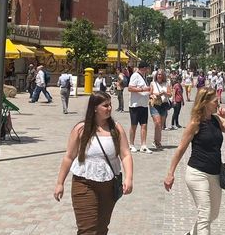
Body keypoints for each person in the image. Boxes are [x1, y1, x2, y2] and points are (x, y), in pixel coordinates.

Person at [163, 87, 225, 234]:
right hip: (197, 173)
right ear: (205, 102)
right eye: (215, 101)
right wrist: (170, 173)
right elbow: (181, 149)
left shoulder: (217, 120)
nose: (218, 103)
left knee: (213, 214)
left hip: (215, 174)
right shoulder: (195, 123)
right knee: (204, 214)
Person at [55, 91, 134, 234]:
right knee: (87, 230)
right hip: (84, 183)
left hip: (108, 185)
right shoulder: (81, 129)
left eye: (110, 105)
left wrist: (129, 178)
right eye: (105, 105)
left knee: (102, 229)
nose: (109, 108)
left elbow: (126, 154)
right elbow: (69, 156)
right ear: (95, 108)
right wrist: (60, 183)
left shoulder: (116, 128)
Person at [128, 61, 152, 154]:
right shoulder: (135, 76)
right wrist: (143, 89)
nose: (148, 70)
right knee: (134, 125)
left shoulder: (144, 76)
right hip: (135, 105)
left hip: (144, 104)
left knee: (144, 125)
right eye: (147, 68)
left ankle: (143, 145)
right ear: (143, 68)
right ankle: (131, 145)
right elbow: (130, 88)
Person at [150, 70, 171, 149]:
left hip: (164, 105)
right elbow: (150, 93)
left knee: (161, 125)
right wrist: (155, 94)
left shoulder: (166, 84)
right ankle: (157, 142)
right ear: (156, 75)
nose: (160, 76)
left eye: (161, 74)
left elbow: (170, 94)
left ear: (163, 76)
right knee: (157, 123)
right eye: (158, 74)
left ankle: (156, 141)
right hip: (155, 104)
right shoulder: (153, 83)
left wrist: (164, 93)